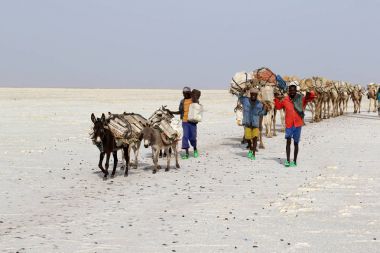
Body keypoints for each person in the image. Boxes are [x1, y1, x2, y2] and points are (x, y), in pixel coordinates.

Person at [274, 83, 315, 167]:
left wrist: (310, 93)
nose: (292, 92)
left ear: (296, 91)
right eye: (290, 90)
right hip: (289, 124)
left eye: (293, 90)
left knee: (296, 143)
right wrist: (276, 98)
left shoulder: (301, 99)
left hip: (298, 124)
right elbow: (278, 107)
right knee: (288, 142)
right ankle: (288, 160)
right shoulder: (285, 100)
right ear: (289, 91)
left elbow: (310, 98)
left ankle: (295, 161)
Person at [239, 88, 268, 160]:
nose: (253, 96)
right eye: (252, 94)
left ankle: (253, 154)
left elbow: (262, 113)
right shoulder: (245, 100)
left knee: (255, 138)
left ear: (257, 95)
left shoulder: (259, 104)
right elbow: (240, 97)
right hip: (247, 123)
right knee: (248, 138)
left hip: (255, 124)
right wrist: (243, 91)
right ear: (250, 94)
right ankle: (251, 148)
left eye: (255, 95)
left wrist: (265, 109)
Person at [171, 87, 200, 159]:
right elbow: (180, 111)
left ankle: (195, 149)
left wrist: (192, 94)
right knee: (185, 137)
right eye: (183, 93)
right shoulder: (182, 101)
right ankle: (187, 154)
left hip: (192, 121)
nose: (184, 95)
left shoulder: (193, 100)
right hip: (185, 121)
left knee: (193, 137)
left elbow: (197, 100)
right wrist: (171, 112)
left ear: (189, 93)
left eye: (185, 93)